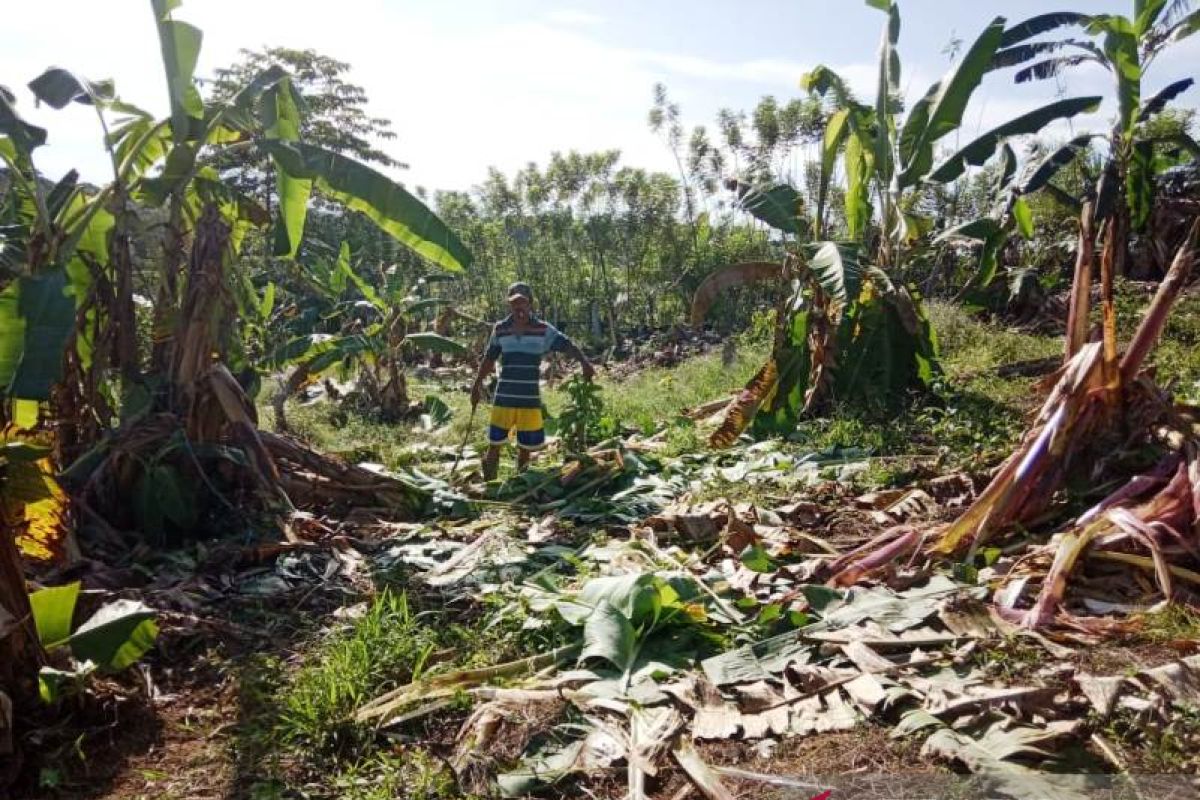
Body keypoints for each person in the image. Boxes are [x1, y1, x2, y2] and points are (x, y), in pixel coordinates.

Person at [470, 282, 595, 480]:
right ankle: (490, 485)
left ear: (530, 304)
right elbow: (489, 358)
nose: (519, 308)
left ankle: (520, 484)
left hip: (529, 399)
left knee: (525, 448)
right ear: (509, 305)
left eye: (523, 303)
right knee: (495, 445)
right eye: (515, 304)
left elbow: (567, 344)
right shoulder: (501, 329)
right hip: (504, 398)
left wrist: (585, 363)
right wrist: (476, 386)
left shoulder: (543, 330)